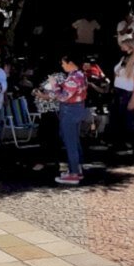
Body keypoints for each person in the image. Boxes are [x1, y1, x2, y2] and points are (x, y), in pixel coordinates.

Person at [39, 50, 88, 185]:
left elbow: (63, 96)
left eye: (63, 63)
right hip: (78, 109)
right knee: (75, 141)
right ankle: (77, 169)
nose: (62, 65)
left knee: (70, 142)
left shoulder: (73, 78)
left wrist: (54, 84)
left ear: (70, 63)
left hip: (70, 111)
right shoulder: (80, 75)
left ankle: (73, 174)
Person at [110, 37, 134, 153]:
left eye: (123, 46)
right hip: (118, 91)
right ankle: (117, 143)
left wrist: (133, 99)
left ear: (130, 47)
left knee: (127, 119)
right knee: (116, 118)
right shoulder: (124, 58)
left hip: (127, 93)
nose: (121, 48)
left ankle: (128, 144)